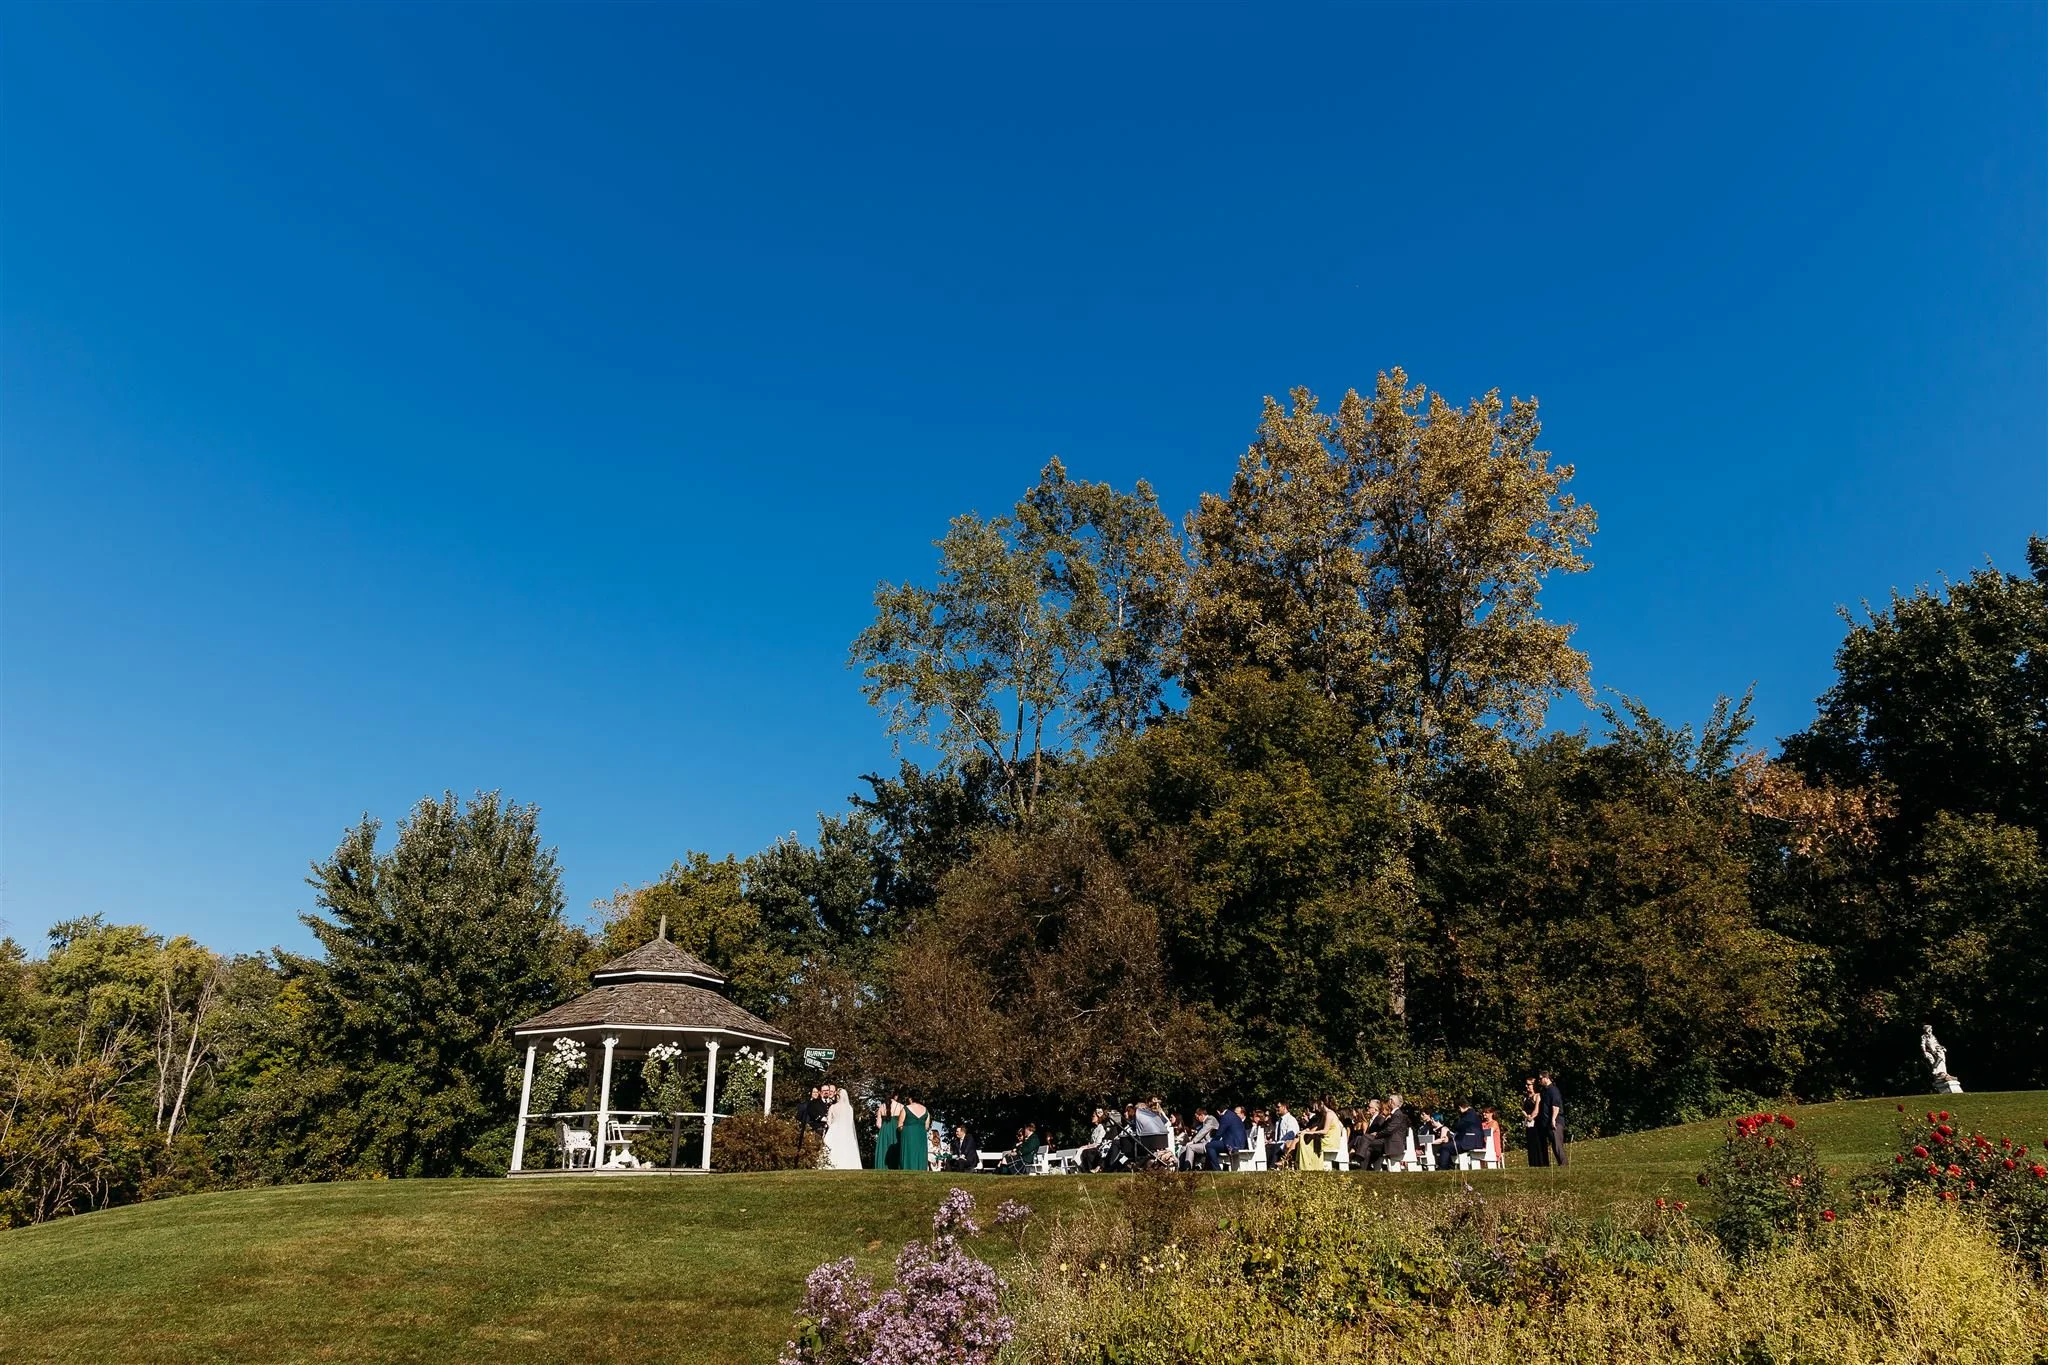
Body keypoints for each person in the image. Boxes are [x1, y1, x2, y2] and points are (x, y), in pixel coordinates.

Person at [821, 1084, 861, 1170]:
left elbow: (829, 1121)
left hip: (834, 1129)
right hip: (847, 1131)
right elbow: (850, 1122)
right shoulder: (850, 1108)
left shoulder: (833, 1107)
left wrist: (833, 1126)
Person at [1537, 1070, 1567, 1167]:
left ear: (1546, 1078)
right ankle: (1560, 1163)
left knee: (1557, 1144)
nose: (1539, 1080)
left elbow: (1555, 1106)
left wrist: (1553, 1120)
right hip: (1547, 1123)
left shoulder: (1553, 1090)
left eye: (1541, 1078)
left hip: (1555, 1122)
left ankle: (1563, 1163)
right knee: (1554, 1144)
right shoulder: (1545, 1091)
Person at [1132, 1096, 1171, 1167]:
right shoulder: (1148, 1116)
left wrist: (1160, 1111)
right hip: (1159, 1136)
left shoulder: (1154, 1115)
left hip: (1149, 1138)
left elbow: (1167, 1122)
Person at [899, 1092, 933, 1172]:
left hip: (908, 1134)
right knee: (919, 1153)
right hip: (921, 1134)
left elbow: (900, 1125)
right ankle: (920, 1168)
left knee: (909, 1153)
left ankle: (907, 1168)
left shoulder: (906, 1108)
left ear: (911, 1098)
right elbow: (927, 1126)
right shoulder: (925, 1110)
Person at [1380, 1094, 1413, 1169]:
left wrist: (1376, 1135)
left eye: (1389, 1100)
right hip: (1390, 1141)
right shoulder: (1394, 1114)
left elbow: (1390, 1130)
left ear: (1391, 1102)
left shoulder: (1398, 1114)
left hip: (1394, 1143)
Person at [872, 1092, 903, 1171]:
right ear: (896, 1096)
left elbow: (878, 1124)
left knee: (884, 1149)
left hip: (884, 1130)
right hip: (896, 1129)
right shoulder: (901, 1106)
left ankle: (882, 1167)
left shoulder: (882, 1106)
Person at [1450, 1098, 1486, 1163]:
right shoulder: (1472, 1114)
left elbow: (1458, 1126)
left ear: (1460, 1107)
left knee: (1445, 1148)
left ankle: (1443, 1167)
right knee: (1448, 1147)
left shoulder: (1468, 1115)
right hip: (1472, 1141)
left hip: (1470, 1142)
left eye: (1458, 1109)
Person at [1214, 1103, 1248, 1171]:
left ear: (1242, 1114)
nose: (1234, 1115)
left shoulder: (1246, 1124)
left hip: (1240, 1145)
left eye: (1236, 1113)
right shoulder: (1233, 1122)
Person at [1522, 1077, 1547, 1167]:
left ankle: (1541, 1162)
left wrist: (1532, 1116)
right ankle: (1532, 1163)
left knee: (1538, 1142)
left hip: (1537, 1123)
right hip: (1529, 1123)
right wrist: (1526, 1116)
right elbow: (1523, 1109)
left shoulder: (1537, 1096)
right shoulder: (1526, 1098)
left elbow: (1537, 1109)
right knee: (1531, 1142)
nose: (1527, 1086)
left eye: (1529, 1085)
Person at [1270, 1101, 1301, 1169]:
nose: (1276, 1109)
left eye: (1278, 1107)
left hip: (1287, 1145)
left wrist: (1279, 1142)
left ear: (1284, 1107)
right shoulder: (1278, 1121)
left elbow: (1291, 1134)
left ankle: (1272, 1168)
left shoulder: (1290, 1120)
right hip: (1279, 1144)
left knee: (1276, 1147)